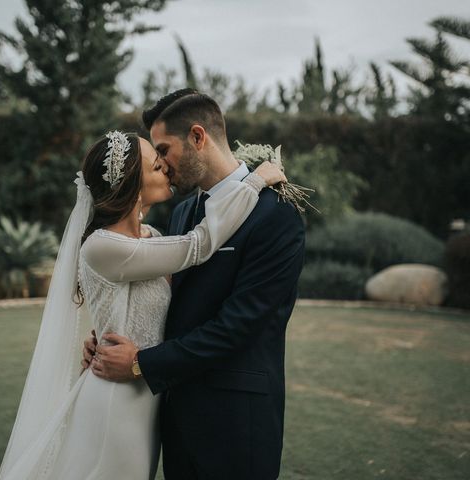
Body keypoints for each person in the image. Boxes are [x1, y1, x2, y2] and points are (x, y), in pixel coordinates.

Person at [0, 127, 285, 480]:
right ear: (132, 185)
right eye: (154, 165)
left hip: (147, 399)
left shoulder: (154, 238)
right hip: (115, 402)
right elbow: (199, 245)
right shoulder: (101, 246)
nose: (165, 167)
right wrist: (253, 183)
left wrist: (102, 334)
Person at [84, 89, 306, 479]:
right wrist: (106, 338)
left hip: (236, 423)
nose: (162, 165)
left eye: (164, 150)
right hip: (172, 416)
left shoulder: (276, 214)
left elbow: (238, 325)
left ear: (198, 138)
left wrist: (139, 363)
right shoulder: (185, 212)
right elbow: (163, 300)